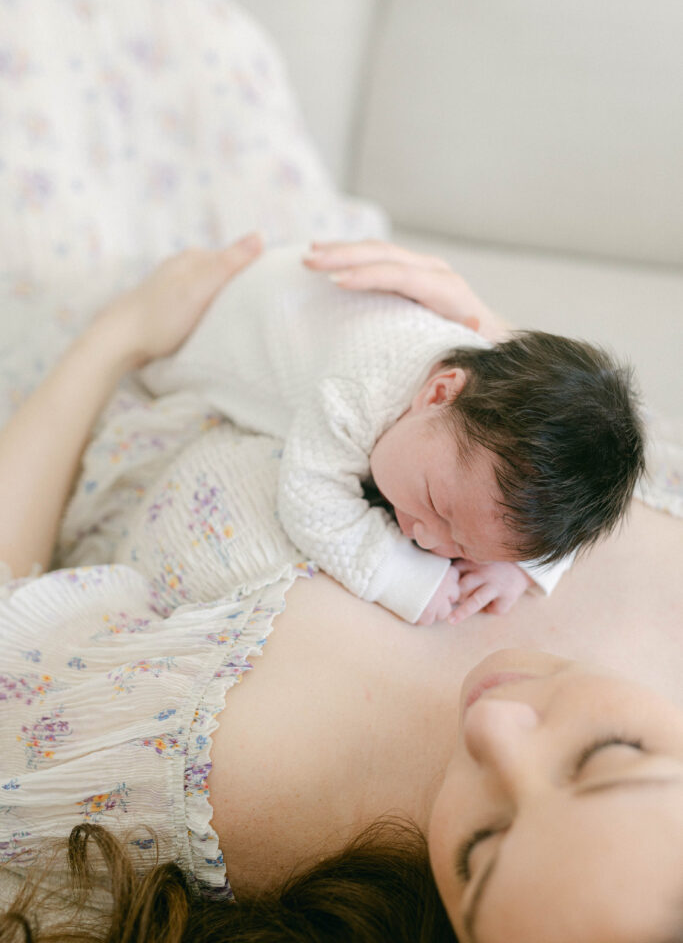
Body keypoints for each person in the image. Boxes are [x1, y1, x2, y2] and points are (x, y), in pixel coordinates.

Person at [0, 237, 681, 943]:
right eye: (607, 757)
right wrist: (487, 348)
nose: (488, 725)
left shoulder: (244, 790)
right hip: (307, 315)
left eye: (480, 851)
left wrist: (118, 338)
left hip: (99, 386)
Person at [138, 242, 644, 626]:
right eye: (436, 506)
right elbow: (310, 501)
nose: (426, 537)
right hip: (223, 329)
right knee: (156, 373)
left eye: (463, 547)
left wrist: (520, 566)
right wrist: (404, 579)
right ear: (438, 393)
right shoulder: (357, 388)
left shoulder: (475, 418)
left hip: (316, 304)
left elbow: (560, 488)